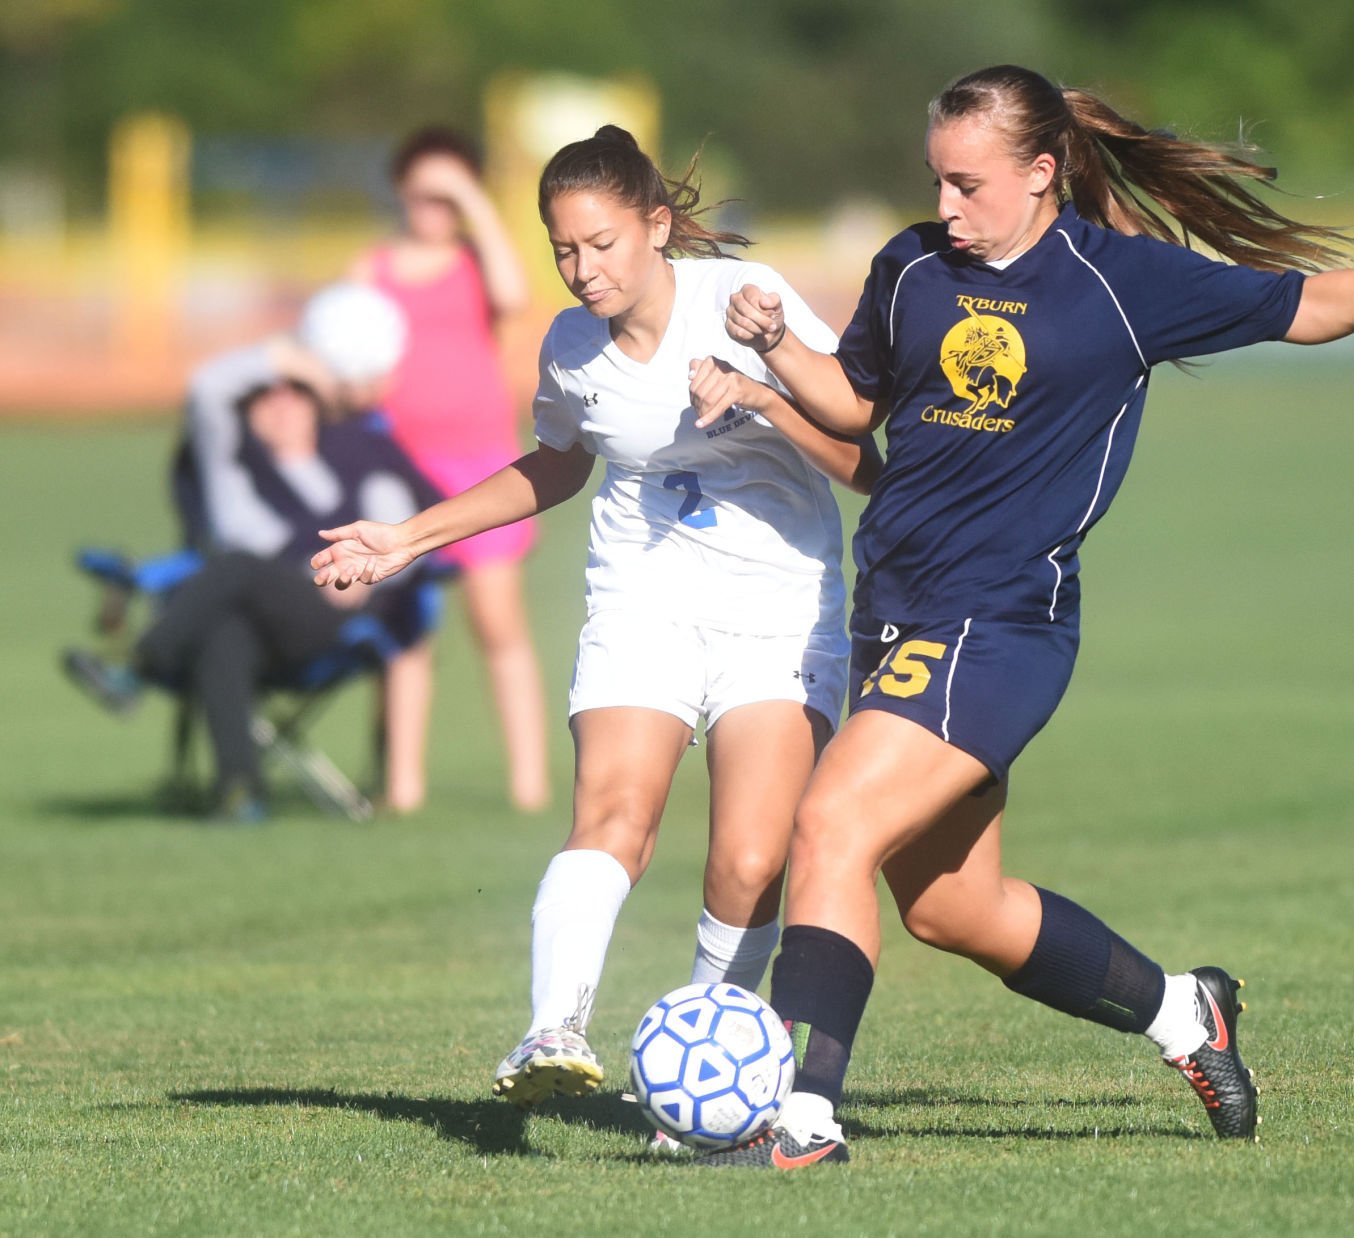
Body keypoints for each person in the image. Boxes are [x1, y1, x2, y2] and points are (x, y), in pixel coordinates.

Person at [692, 64, 1354, 1168]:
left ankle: (803, 1114)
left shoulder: (1120, 281)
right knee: (955, 907)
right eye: (937, 181)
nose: (946, 206)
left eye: (968, 183)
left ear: (1042, 173)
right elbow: (858, 403)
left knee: (828, 826)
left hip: (999, 620)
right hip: (892, 611)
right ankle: (1184, 1011)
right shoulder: (908, 265)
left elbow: (1305, 307)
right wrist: (774, 348)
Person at [310, 127, 881, 1122]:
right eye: (564, 249)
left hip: (777, 612)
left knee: (750, 860)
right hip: (640, 600)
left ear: (657, 227)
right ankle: (553, 1026)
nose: (583, 269)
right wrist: (408, 538)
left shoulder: (746, 304)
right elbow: (558, 462)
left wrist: (758, 389)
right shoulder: (572, 346)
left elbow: (863, 458)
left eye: (603, 243)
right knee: (614, 815)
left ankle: (703, 1087)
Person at [64, 304, 442, 822]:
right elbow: (209, 388)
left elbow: (423, 530)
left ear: (318, 403)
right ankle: (241, 793)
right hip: (256, 621)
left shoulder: (357, 453)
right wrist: (291, 359)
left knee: (236, 567)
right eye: (267, 395)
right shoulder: (232, 469)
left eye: (295, 393)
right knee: (226, 631)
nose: (281, 404)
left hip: (329, 619)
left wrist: (373, 580)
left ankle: (137, 668)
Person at [351, 125, 549, 814]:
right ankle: (402, 788)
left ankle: (530, 787)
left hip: (481, 465)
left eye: (448, 193)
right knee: (404, 632)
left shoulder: (475, 263)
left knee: (498, 625)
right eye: (423, 191)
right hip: (399, 469)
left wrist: (472, 196)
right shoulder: (371, 269)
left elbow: (515, 295)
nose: (433, 206)